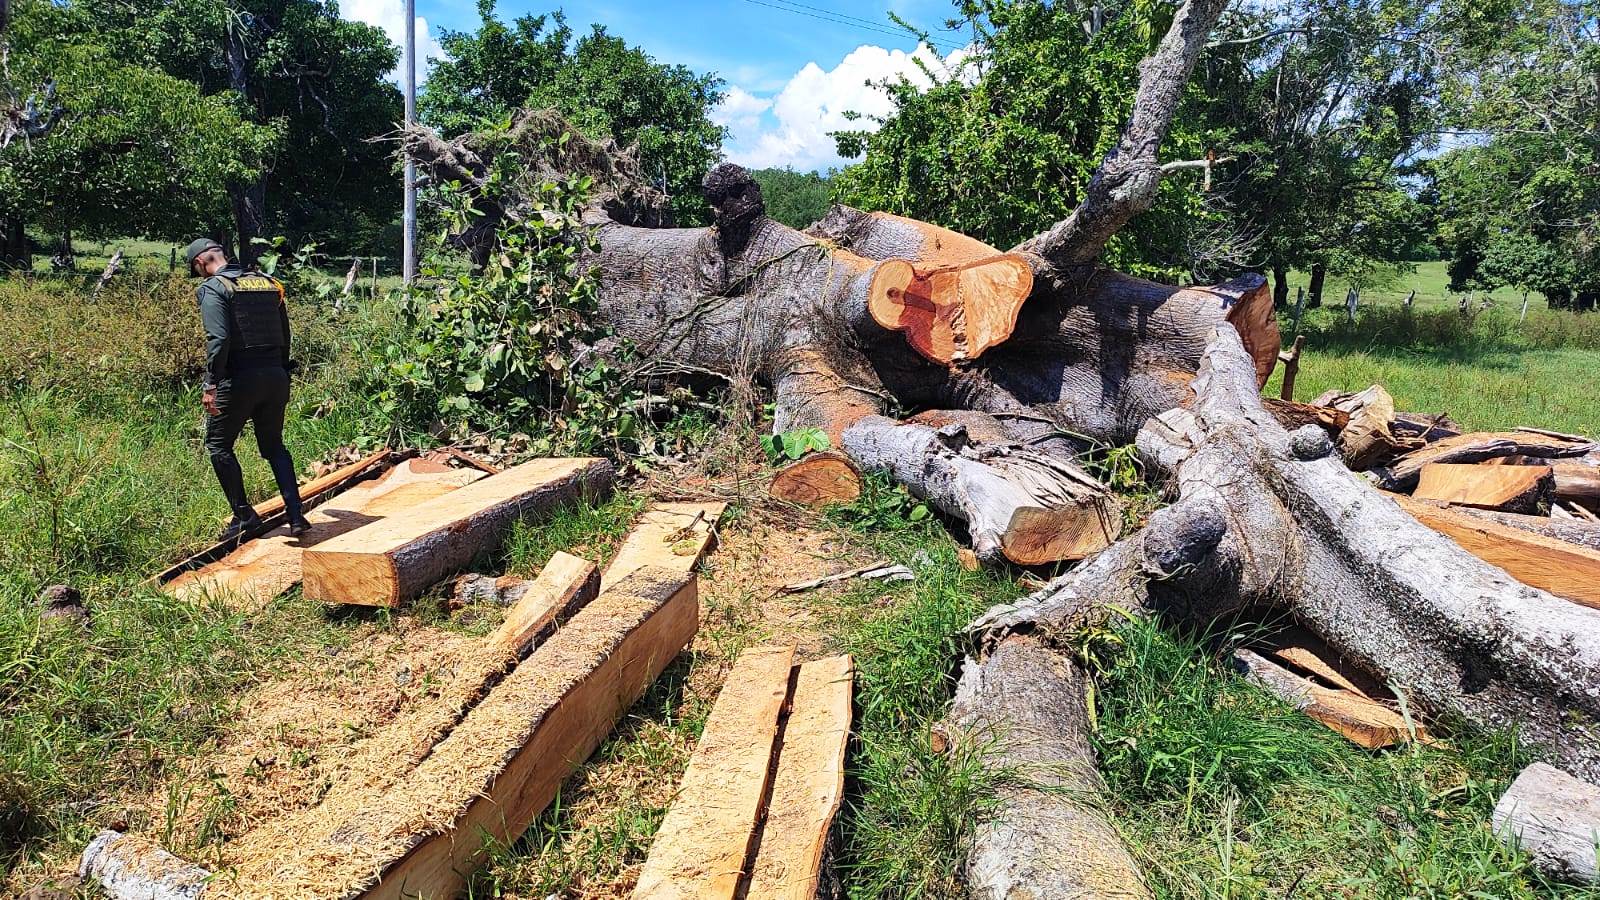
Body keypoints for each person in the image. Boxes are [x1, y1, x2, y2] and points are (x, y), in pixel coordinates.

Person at [184, 238, 312, 543]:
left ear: (201, 263)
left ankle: (245, 517)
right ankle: (295, 515)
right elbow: (285, 333)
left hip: (239, 379)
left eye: (197, 270)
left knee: (218, 446)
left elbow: (218, 338)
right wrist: (280, 369)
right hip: (276, 376)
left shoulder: (215, 287)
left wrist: (210, 384)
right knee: (274, 447)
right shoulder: (269, 283)